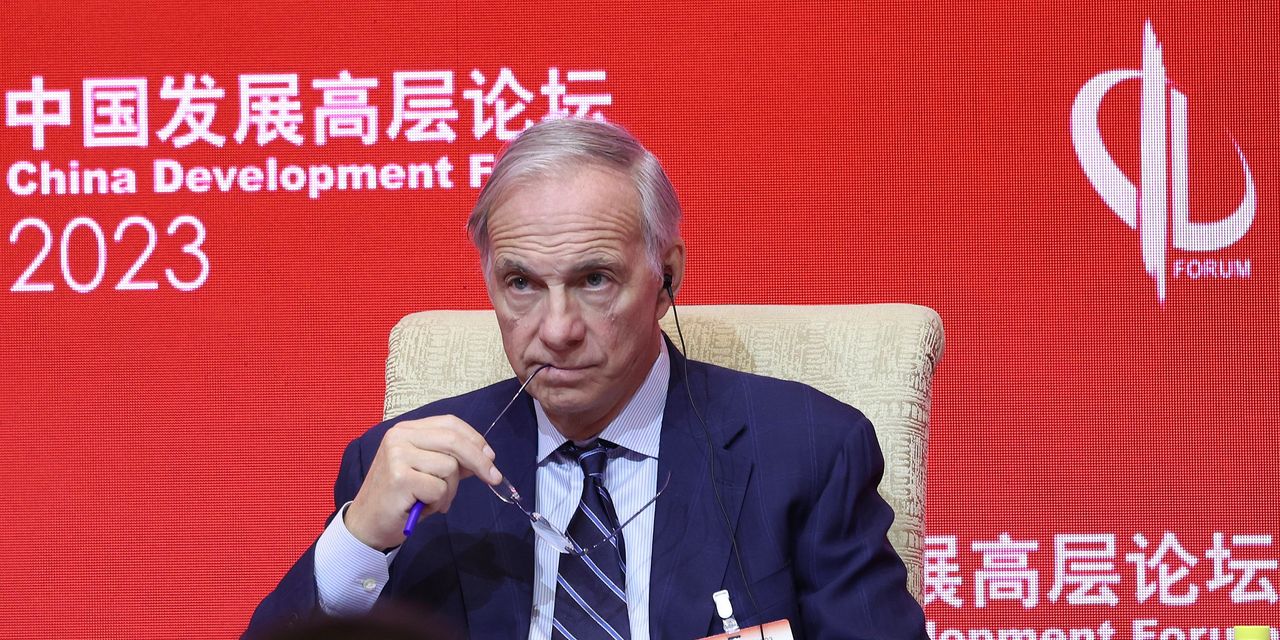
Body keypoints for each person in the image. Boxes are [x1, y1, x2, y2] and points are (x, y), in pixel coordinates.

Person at [245, 118, 927, 639]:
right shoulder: (401, 470)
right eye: (521, 283)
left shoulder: (806, 450)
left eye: (594, 279)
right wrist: (360, 540)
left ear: (666, 279)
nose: (557, 328)